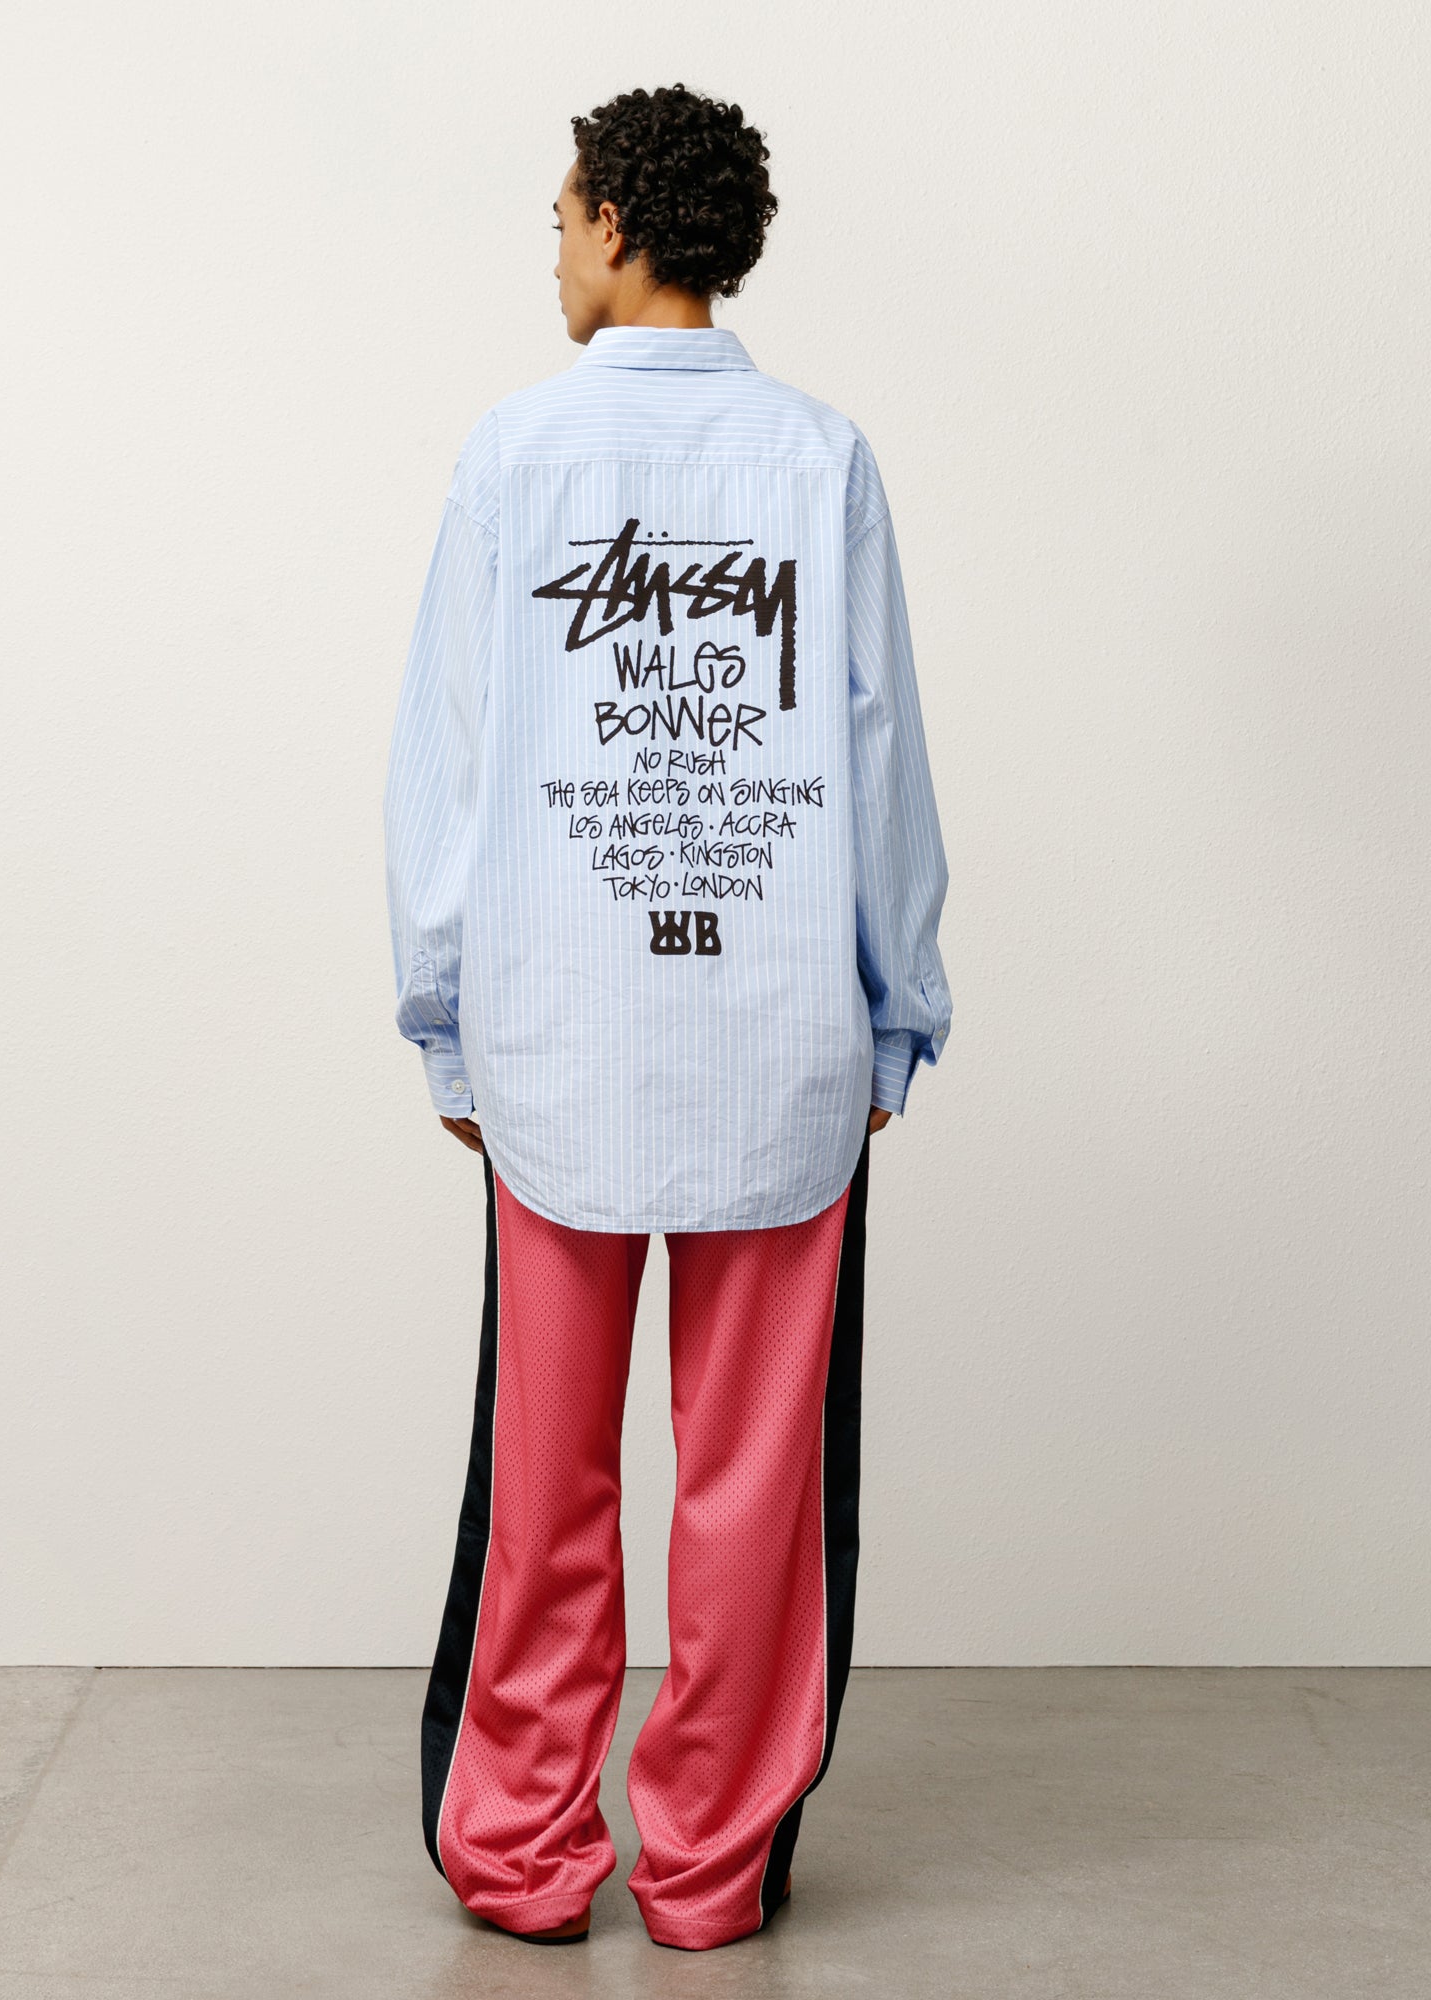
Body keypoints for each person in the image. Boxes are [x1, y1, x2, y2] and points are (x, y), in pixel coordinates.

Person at [382, 81, 952, 1953]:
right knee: (755, 1490)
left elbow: (454, 766)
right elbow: (878, 752)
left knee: (543, 1486)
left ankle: (522, 1854)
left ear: (621, 224)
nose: (551, 251)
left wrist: (444, 1014)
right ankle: (709, 1871)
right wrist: (894, 1010)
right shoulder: (821, 458)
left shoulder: (514, 456)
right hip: (779, 1041)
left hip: (557, 1037)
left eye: (562, 217)